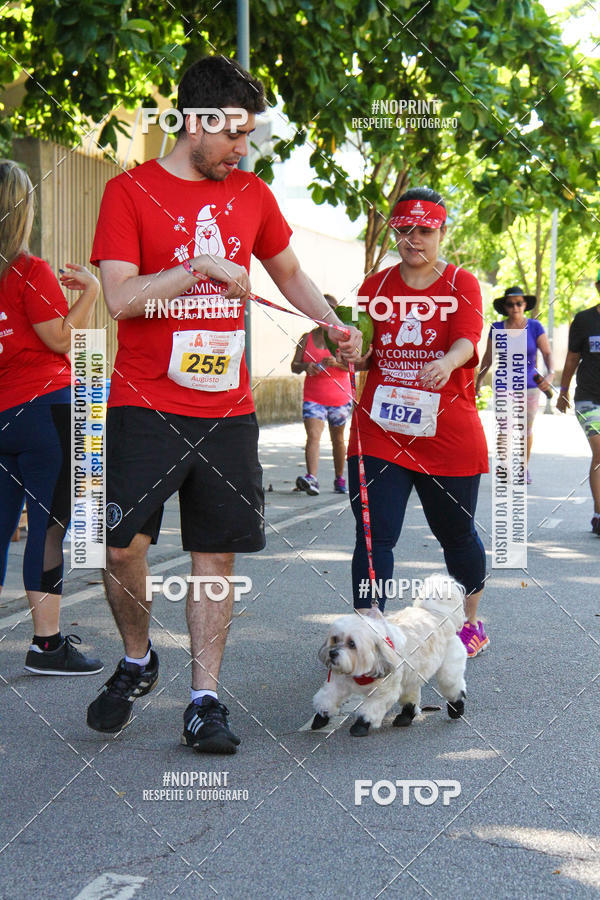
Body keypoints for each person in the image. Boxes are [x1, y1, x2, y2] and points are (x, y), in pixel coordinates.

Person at [86, 56, 361, 753]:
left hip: (226, 408)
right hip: (145, 405)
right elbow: (120, 297)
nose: (244, 148)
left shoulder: (253, 195)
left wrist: (330, 322)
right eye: (235, 134)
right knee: (121, 550)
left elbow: (291, 273)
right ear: (194, 121)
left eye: (248, 135)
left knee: (215, 559)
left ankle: (204, 700)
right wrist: (198, 268)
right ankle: (140, 658)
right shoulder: (128, 192)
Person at [348, 186, 490, 658]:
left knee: (457, 535)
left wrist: (448, 363)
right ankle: (369, 632)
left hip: (447, 434)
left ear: (441, 232)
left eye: (425, 230)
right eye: (405, 229)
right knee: (374, 536)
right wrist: (350, 349)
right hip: (380, 432)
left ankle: (470, 621)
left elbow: (469, 341)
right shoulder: (373, 288)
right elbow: (363, 353)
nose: (414, 239)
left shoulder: (462, 283)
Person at [0, 159, 103, 675]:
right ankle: (47, 646)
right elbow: (62, 339)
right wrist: (91, 293)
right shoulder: (28, 269)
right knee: (48, 528)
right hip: (45, 409)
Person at [476, 286, 554, 484]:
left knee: (525, 429)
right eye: (510, 304)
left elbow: (547, 353)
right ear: (505, 307)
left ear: (525, 305)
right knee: (505, 428)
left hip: (529, 386)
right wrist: (478, 381)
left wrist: (550, 374)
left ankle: (522, 469)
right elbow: (487, 358)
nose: (515, 307)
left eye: (519, 303)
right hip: (504, 386)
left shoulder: (535, 327)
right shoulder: (497, 328)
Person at [291, 293, 352, 495]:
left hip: (340, 397)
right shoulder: (306, 338)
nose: (327, 313)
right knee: (313, 436)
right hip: (313, 396)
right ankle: (312, 479)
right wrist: (306, 365)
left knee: (338, 439)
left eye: (332, 309)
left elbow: (355, 366)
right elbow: (294, 366)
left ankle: (339, 478)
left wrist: (339, 364)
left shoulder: (344, 338)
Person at [557, 270, 600, 534]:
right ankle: (599, 513)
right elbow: (572, 358)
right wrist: (563, 390)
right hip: (589, 397)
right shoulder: (584, 320)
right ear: (597, 286)